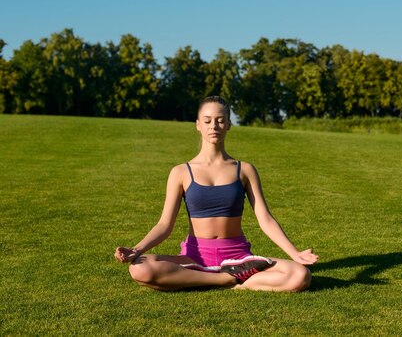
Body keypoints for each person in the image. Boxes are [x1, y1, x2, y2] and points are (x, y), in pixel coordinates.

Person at [114, 96, 318, 291]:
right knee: (139, 268)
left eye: (220, 120)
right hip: (195, 257)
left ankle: (224, 278)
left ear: (228, 124)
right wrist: (137, 249)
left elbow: (265, 218)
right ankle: (224, 279)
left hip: (238, 258)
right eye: (208, 120)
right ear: (198, 125)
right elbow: (164, 225)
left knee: (300, 275)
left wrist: (294, 253)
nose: (214, 126)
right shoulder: (181, 172)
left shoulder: (244, 169)